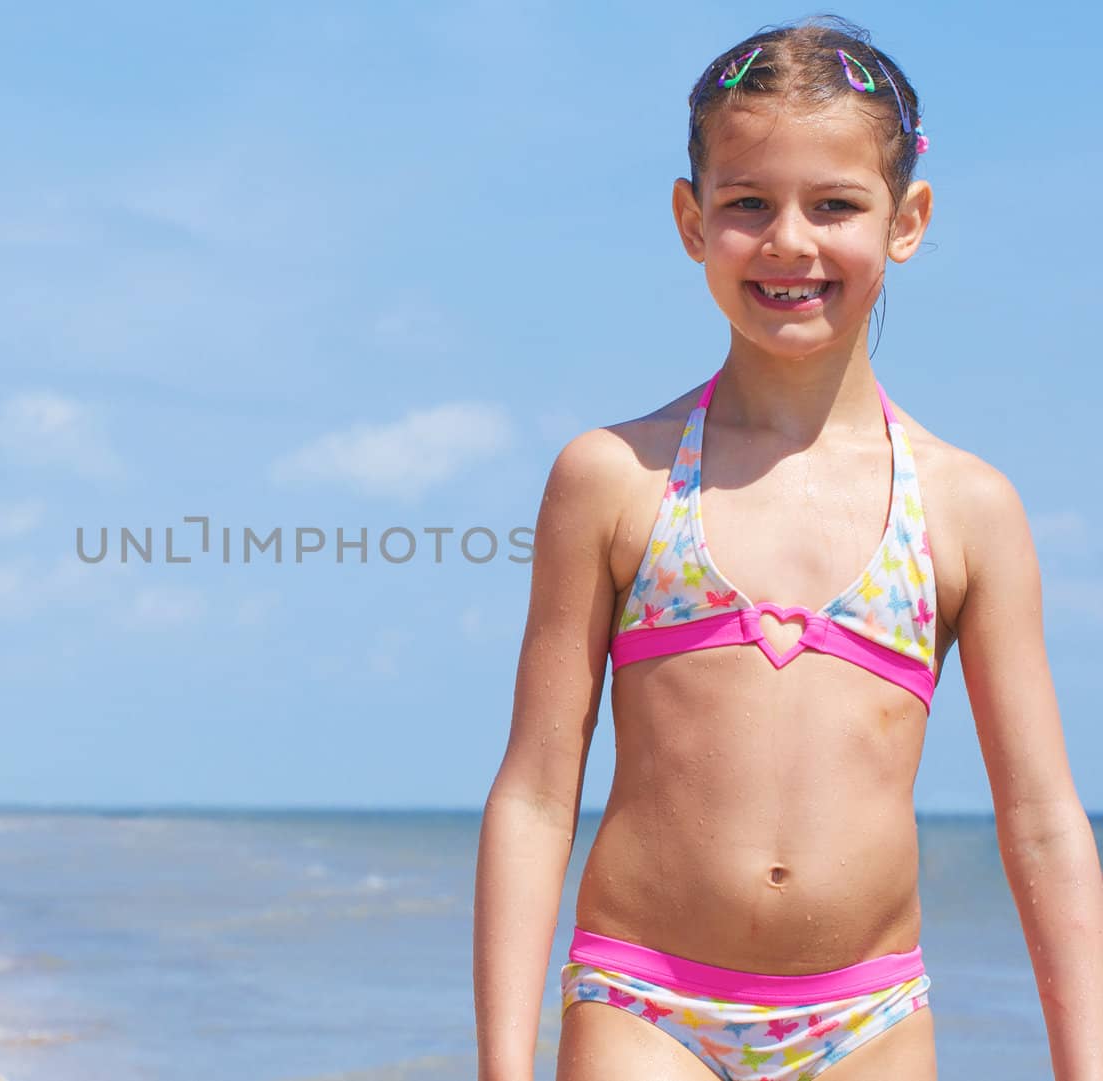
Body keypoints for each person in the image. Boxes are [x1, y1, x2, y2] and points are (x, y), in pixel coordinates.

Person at [472, 16, 1103, 1081]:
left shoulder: (963, 507)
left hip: (868, 1018)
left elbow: (1040, 818)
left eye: (837, 204)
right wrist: (501, 1065)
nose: (790, 242)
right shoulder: (614, 480)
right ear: (690, 217)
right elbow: (536, 791)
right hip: (644, 1003)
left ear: (907, 221)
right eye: (747, 203)